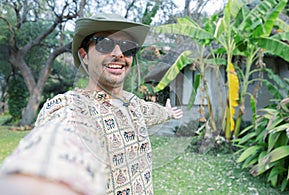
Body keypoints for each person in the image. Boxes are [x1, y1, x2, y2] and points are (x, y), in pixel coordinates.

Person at [0, 13, 183, 195]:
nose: (119, 54)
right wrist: (38, 178)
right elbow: (60, 135)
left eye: (128, 48)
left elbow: (151, 112)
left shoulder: (133, 103)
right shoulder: (72, 106)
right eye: (105, 43)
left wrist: (168, 112)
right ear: (84, 55)